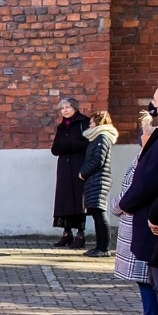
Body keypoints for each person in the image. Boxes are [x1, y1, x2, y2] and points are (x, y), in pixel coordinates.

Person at [121, 82, 158, 315]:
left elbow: (152, 179)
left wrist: (129, 205)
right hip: (153, 222)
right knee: (157, 285)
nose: (152, 105)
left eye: (155, 99)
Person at [113, 111, 158, 315]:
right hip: (134, 221)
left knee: (148, 280)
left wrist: (118, 206)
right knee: (146, 280)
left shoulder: (150, 157)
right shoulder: (143, 155)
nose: (140, 136)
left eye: (144, 132)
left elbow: (136, 190)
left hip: (139, 221)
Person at [79, 110, 117, 257]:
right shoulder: (98, 137)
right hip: (95, 179)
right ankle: (99, 247)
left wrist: (83, 172)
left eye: (92, 122)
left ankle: (103, 248)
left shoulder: (102, 137)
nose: (90, 124)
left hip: (99, 180)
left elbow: (97, 160)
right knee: (96, 214)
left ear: (98, 122)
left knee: (100, 214)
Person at [52, 96, 89, 248]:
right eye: (62, 108)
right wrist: (68, 146)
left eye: (67, 107)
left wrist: (69, 145)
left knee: (78, 200)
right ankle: (67, 233)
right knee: (64, 199)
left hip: (78, 165)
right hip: (64, 167)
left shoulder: (84, 122)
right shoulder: (61, 126)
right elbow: (55, 148)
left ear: (74, 107)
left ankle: (80, 234)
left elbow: (87, 144)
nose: (64, 111)